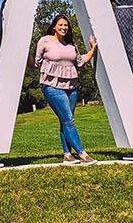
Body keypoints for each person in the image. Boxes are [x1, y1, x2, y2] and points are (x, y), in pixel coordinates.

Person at [34, 14, 98, 165]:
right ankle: (82, 154)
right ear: (54, 26)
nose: (63, 28)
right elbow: (36, 61)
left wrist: (93, 50)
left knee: (65, 120)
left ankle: (67, 155)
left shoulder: (71, 44)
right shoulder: (45, 40)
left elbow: (80, 62)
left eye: (66, 25)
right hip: (51, 86)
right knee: (69, 120)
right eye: (60, 25)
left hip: (71, 86)